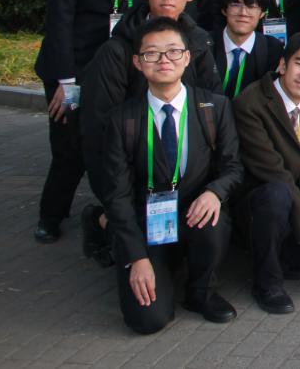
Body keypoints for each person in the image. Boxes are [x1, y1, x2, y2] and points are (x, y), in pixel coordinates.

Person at [32, 0, 165, 244]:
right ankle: (51, 215)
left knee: (117, 143)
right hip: (76, 63)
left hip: (123, 66)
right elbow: (59, 16)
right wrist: (65, 80)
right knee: (69, 145)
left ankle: (113, 216)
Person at [100, 17, 242, 333]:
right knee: (147, 321)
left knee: (213, 222)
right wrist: (136, 258)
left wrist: (214, 192)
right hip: (148, 220)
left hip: (194, 213)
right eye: (152, 53)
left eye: (173, 51)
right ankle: (118, 241)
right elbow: (117, 195)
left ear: (187, 57)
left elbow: (233, 167)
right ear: (138, 62)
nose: (164, 60)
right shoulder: (122, 119)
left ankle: (201, 291)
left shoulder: (214, 108)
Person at [78, 0, 221, 264]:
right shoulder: (118, 50)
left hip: (185, 169)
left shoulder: (199, 43)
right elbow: (97, 128)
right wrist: (111, 197)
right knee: (148, 270)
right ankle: (102, 220)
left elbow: (214, 108)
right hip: (137, 172)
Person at [233, 32, 300, 315]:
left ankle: (294, 257)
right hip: (257, 204)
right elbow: (275, 174)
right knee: (276, 194)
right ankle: (267, 283)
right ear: (282, 64)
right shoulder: (250, 104)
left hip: (294, 203)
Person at [214, 0, 284, 99]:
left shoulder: (273, 49)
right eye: (236, 5)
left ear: (262, 13)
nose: (243, 13)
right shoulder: (205, 44)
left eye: (251, 6)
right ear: (224, 9)